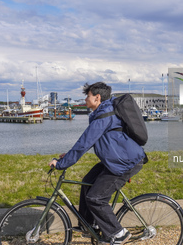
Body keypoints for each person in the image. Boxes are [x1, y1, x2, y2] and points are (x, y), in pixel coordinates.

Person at [49, 82, 146, 245]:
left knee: (96, 198)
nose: (85, 99)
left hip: (125, 162)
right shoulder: (102, 113)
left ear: (97, 97)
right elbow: (88, 142)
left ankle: (118, 233)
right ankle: (90, 225)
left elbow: (84, 142)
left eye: (87, 96)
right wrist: (68, 155)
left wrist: (61, 164)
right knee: (87, 182)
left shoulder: (104, 114)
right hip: (115, 160)